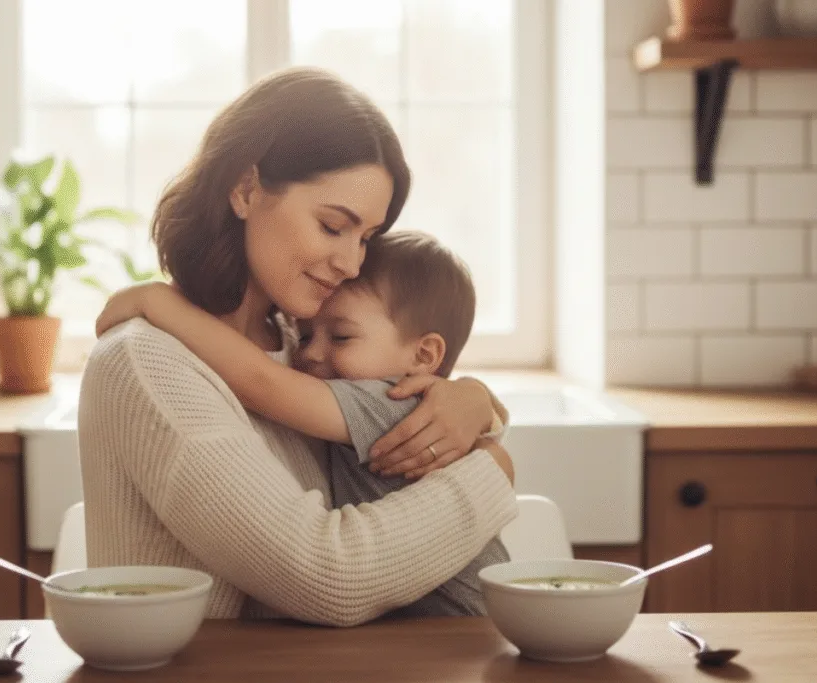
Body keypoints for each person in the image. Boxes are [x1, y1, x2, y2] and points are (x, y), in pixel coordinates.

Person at [78, 66, 517, 627]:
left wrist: (473, 400)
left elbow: (386, 415)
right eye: (333, 226)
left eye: (366, 239)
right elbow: (329, 579)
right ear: (245, 188)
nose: (352, 262)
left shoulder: (300, 344)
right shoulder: (145, 362)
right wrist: (493, 469)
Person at [96, 230, 511, 617]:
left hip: (461, 623)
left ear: (423, 357)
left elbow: (264, 383)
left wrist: (158, 303)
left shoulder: (390, 399)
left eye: (342, 337)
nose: (311, 353)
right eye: (309, 334)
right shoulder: (372, 384)